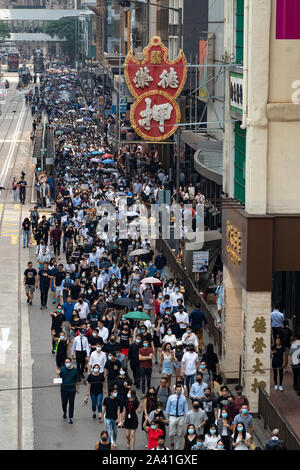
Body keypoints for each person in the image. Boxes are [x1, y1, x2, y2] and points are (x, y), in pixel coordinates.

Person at [57, 357, 80, 424]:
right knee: (64, 403)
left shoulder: (75, 370)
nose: (67, 363)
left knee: (71, 403)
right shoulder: (62, 369)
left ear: (71, 362)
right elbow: (58, 379)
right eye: (66, 362)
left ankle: (70, 417)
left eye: (68, 362)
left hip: (72, 390)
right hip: (64, 389)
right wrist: (58, 374)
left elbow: (77, 380)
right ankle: (64, 411)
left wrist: (78, 389)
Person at [165, 384, 189, 450]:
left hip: (180, 417)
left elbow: (186, 409)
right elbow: (168, 408)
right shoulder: (171, 397)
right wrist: (166, 418)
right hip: (172, 416)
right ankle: (172, 443)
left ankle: (177, 447)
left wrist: (187, 418)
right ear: (175, 390)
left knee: (179, 433)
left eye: (180, 390)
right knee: (171, 433)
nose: (179, 391)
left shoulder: (183, 398)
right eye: (178, 390)